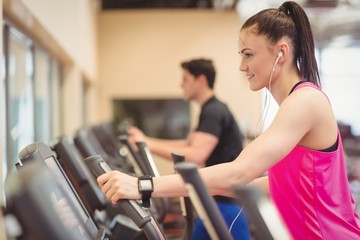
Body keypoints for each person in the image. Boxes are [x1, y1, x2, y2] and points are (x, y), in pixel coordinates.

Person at [98, 1, 360, 239]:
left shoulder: (305, 102)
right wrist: (196, 189)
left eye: (248, 54)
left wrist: (142, 186)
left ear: (281, 52)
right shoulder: (295, 104)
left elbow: (239, 171)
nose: (242, 67)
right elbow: (272, 184)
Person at [127, 58, 250, 240]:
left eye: (185, 79)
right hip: (217, 200)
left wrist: (147, 144)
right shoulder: (210, 109)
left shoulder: (214, 112)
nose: (181, 84)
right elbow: (186, 145)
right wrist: (145, 140)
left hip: (226, 205)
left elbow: (196, 155)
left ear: (201, 81)